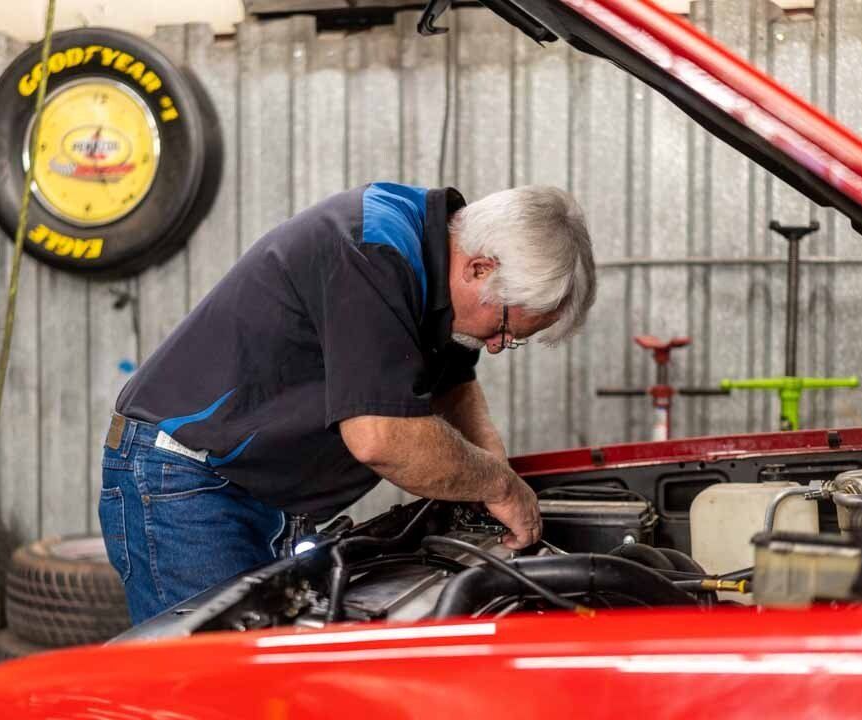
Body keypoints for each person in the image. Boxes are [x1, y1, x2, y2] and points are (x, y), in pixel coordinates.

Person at [99, 182, 596, 623]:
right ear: (479, 268)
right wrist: (499, 486)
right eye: (506, 328)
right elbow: (381, 438)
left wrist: (495, 481)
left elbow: (455, 389)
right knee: (217, 682)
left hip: (264, 494)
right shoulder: (371, 250)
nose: (498, 346)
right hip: (187, 481)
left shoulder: (441, 268)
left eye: (514, 340)